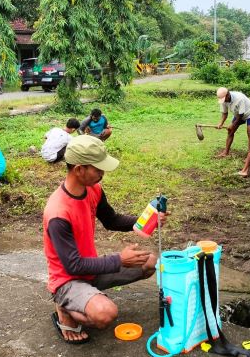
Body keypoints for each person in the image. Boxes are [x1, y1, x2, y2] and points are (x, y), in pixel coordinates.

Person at [43, 135, 166, 344]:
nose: (102, 173)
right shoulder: (58, 213)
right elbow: (73, 266)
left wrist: (147, 220)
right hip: (68, 279)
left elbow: (111, 220)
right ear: (79, 169)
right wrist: (120, 260)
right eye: (98, 168)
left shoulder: (93, 189)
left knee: (150, 262)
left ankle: (86, 297)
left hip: (91, 269)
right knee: (105, 314)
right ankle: (64, 308)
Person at [216, 87, 250, 157]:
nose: (224, 101)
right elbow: (224, 113)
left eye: (224, 99)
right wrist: (221, 123)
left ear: (228, 94)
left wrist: (233, 125)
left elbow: (241, 115)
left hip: (249, 113)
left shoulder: (239, 98)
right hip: (238, 113)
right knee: (230, 131)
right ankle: (226, 152)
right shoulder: (223, 100)